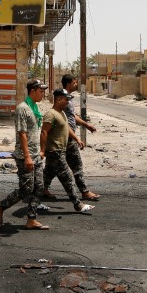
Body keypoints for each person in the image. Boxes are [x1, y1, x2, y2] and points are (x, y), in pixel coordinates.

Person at [0, 79, 49, 230]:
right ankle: (0, 207)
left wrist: (40, 151)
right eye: (40, 91)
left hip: (35, 155)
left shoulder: (34, 108)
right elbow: (22, 134)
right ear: (32, 91)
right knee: (26, 189)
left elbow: (36, 131)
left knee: (39, 187)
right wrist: (27, 156)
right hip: (25, 156)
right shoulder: (22, 108)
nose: (42, 94)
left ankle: (31, 219)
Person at [42, 73, 100, 201]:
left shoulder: (67, 100)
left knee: (51, 168)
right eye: (74, 83)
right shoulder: (62, 101)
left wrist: (86, 125)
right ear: (68, 84)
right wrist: (76, 138)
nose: (76, 84)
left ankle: (42, 189)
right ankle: (83, 192)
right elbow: (65, 123)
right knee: (76, 165)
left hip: (65, 138)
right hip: (66, 138)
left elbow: (72, 117)